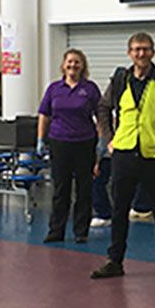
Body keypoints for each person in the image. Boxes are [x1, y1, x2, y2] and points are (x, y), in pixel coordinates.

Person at [91, 32, 155, 279]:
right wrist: (109, 139)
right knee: (120, 210)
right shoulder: (119, 81)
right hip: (124, 154)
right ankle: (115, 260)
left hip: (154, 154)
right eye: (137, 49)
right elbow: (103, 107)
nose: (141, 53)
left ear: (153, 52)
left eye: (146, 49)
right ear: (129, 53)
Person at [38, 48, 102, 243]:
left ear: (82, 66)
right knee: (60, 189)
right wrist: (40, 139)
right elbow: (44, 115)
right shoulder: (54, 89)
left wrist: (102, 142)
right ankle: (56, 230)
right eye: (70, 62)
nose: (73, 65)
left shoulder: (90, 89)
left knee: (84, 189)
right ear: (63, 65)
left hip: (84, 143)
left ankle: (81, 232)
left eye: (77, 62)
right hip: (59, 143)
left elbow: (101, 117)